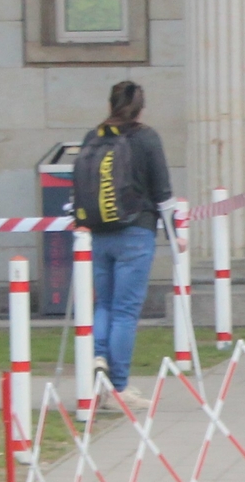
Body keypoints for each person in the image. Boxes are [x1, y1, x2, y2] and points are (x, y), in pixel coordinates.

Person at [73, 80, 174, 394]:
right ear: (141, 109)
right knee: (126, 311)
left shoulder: (94, 137)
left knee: (104, 304)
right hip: (136, 232)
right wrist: (175, 237)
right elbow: (163, 194)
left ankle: (99, 357)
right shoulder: (147, 138)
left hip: (99, 234)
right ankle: (118, 386)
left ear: (110, 105)